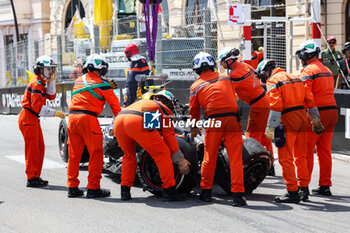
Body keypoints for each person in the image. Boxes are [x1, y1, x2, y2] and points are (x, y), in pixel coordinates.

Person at [256, 59, 324, 203]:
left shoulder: (272, 81)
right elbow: (310, 100)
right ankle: (303, 189)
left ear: (264, 73)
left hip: (287, 120)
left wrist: (271, 126)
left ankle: (292, 192)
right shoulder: (296, 77)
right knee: (301, 156)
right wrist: (315, 119)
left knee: (285, 158)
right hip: (302, 119)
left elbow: (276, 105)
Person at [189, 52, 246, 207]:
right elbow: (231, 97)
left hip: (214, 121)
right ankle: (238, 195)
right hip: (233, 120)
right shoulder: (225, 78)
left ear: (196, 69)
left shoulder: (195, 86)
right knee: (235, 158)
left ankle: (206, 192)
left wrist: (194, 127)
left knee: (209, 156)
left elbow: (194, 111)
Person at [114, 90, 190, 202]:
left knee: (129, 156)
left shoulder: (147, 104)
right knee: (163, 154)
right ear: (168, 102)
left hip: (119, 119)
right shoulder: (163, 108)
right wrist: (181, 159)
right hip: (136, 119)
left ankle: (125, 191)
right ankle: (169, 191)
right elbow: (169, 136)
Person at [67, 54, 121, 198]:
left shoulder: (78, 81)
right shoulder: (103, 84)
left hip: (72, 118)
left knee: (74, 154)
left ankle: (72, 187)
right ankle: (93, 187)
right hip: (88, 119)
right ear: (101, 68)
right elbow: (116, 107)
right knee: (96, 153)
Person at [218, 47, 273, 168]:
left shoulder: (235, 74)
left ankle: (250, 164)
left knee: (251, 136)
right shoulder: (243, 66)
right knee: (263, 136)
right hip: (263, 100)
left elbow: (227, 92)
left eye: (222, 61)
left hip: (258, 104)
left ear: (229, 60)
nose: (221, 64)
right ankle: (270, 164)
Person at [296, 40, 338, 196]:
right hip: (331, 111)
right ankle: (325, 185)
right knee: (324, 150)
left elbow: (304, 95)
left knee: (306, 150)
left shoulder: (308, 71)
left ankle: (303, 186)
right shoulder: (326, 69)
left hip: (316, 113)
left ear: (305, 55)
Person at [18, 55, 66, 187]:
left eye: (51, 69)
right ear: (40, 69)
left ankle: (35, 175)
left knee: (40, 148)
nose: (51, 71)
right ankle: (31, 177)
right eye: (48, 69)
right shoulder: (37, 83)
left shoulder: (42, 82)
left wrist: (51, 81)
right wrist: (54, 113)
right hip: (28, 117)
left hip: (32, 118)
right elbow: (37, 107)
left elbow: (51, 96)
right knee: (33, 149)